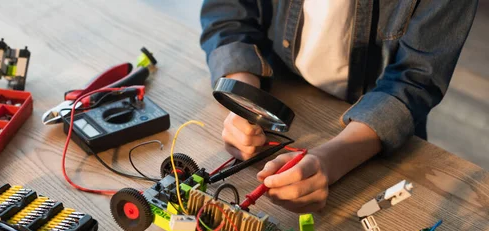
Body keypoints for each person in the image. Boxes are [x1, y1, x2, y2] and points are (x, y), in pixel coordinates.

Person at [200, 0, 477, 212]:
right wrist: (244, 97)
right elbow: (229, 11)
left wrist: (330, 161)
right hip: (281, 87)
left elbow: (416, 80)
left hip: (377, 135)